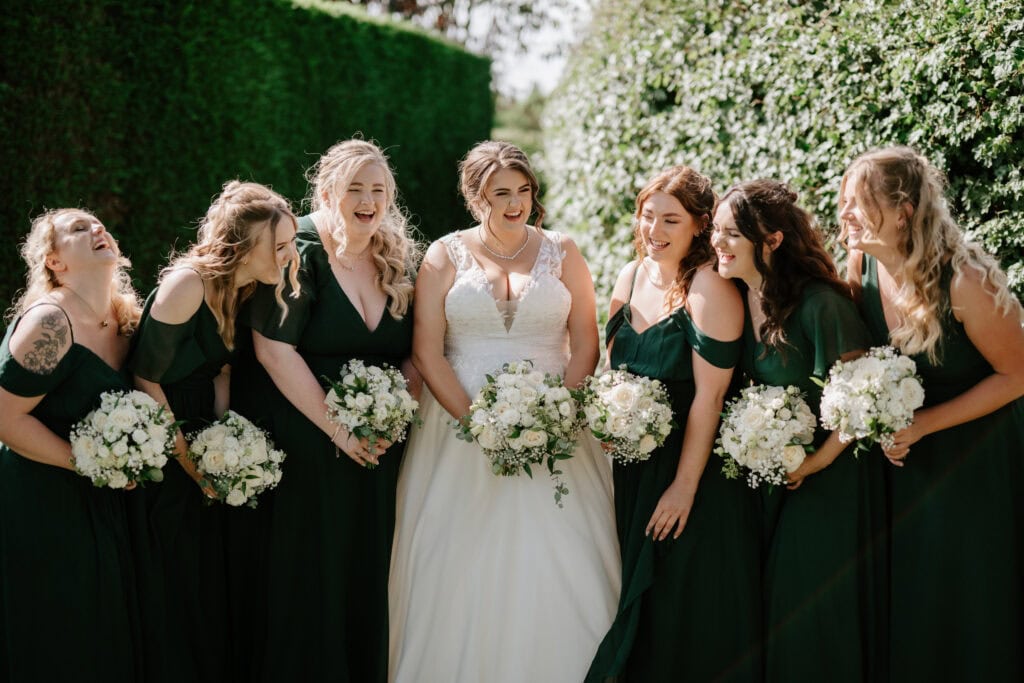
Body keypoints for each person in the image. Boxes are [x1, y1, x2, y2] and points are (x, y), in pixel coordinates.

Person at [388, 140, 620, 683]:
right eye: (501, 194)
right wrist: (478, 423)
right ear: (476, 198)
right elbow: (428, 349)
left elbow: (586, 341)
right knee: (459, 557)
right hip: (457, 426)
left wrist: (558, 412)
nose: (515, 203)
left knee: (561, 552)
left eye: (523, 191)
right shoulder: (444, 255)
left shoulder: (564, 251)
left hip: (555, 423)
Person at [841, 146, 1024, 682]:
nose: (845, 214)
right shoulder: (862, 267)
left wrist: (923, 425)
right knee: (917, 597)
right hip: (906, 463)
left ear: (902, 211)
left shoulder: (964, 281)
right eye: (842, 202)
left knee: (973, 599)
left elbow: (1018, 375)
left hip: (978, 460)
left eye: (858, 202)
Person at [241, 139, 419, 682]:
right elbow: (273, 348)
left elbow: (418, 352)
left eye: (378, 190)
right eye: (354, 189)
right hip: (308, 442)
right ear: (326, 192)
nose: (368, 201)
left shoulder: (399, 258)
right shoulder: (301, 249)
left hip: (381, 447)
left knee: (369, 569)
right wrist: (340, 430)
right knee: (312, 574)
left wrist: (394, 414)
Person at [585, 166, 760, 682]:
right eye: (647, 216)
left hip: (692, 475)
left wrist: (683, 489)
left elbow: (710, 397)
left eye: (671, 220)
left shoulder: (707, 287)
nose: (653, 230)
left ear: (699, 226)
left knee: (684, 613)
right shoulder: (630, 275)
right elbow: (612, 372)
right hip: (632, 468)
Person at [712, 179, 886, 682]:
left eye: (731, 233)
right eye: (716, 232)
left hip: (831, 480)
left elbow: (864, 397)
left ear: (771, 240)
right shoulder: (737, 297)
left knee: (808, 608)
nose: (717, 243)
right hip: (777, 477)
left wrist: (818, 460)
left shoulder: (820, 306)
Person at [128, 181, 299, 683]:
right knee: (174, 571)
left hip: (204, 427)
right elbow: (144, 378)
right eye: (281, 245)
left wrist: (226, 439)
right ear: (247, 247)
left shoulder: (245, 286)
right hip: (164, 429)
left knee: (210, 574)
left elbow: (222, 370)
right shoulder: (188, 283)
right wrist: (188, 458)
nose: (290, 254)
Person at [0, 209, 142, 680]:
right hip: (39, 496)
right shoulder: (50, 323)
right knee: (57, 629)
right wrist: (88, 464)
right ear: (55, 261)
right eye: (79, 229)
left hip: (102, 500)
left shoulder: (126, 320)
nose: (97, 229)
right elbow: (4, 418)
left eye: (100, 224)